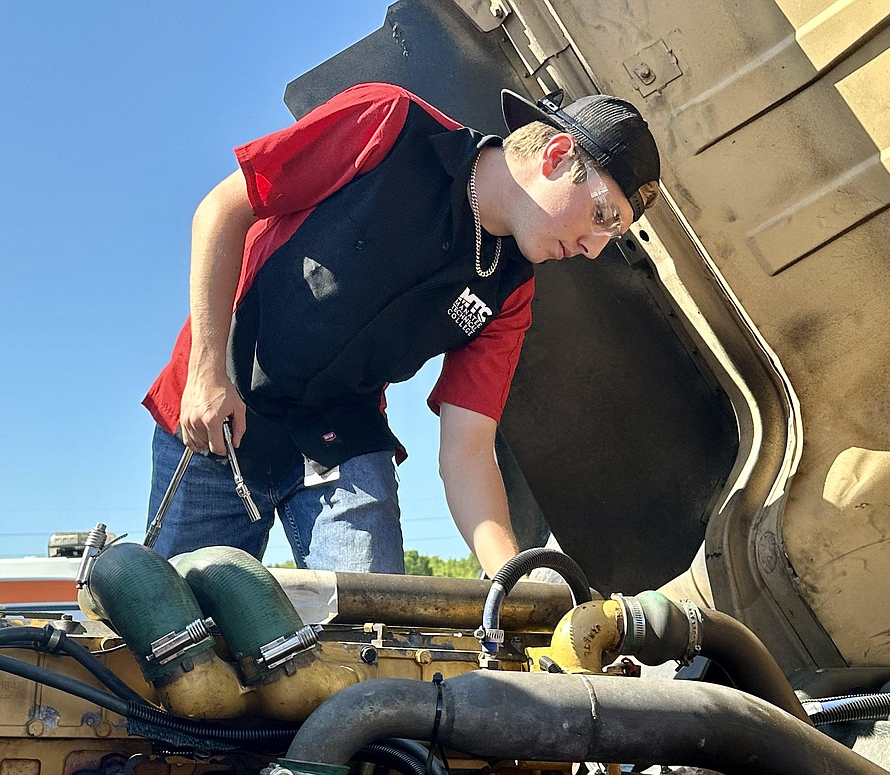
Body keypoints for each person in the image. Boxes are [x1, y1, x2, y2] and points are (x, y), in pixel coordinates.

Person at [143, 82, 660, 576]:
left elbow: (469, 451)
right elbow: (220, 210)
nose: (595, 247)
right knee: (173, 631)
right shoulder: (387, 123)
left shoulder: (510, 294)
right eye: (603, 215)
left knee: (374, 633)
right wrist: (207, 374)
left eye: (614, 233)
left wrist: (511, 573)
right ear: (557, 156)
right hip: (223, 405)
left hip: (342, 432)